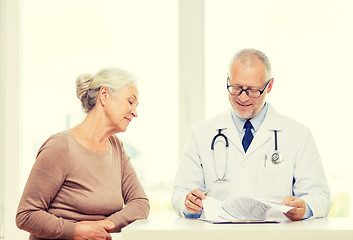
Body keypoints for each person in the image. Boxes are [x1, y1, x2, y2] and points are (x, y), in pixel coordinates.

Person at [172, 48, 331, 221]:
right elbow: (181, 193)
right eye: (236, 88)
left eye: (253, 90)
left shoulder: (298, 135)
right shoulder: (200, 134)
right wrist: (188, 204)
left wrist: (306, 208)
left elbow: (319, 196)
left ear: (269, 86)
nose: (243, 98)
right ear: (227, 80)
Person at [16, 68, 150, 239]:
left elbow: (140, 204)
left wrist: (105, 225)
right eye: (130, 102)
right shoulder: (60, 147)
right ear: (104, 95)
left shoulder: (117, 148)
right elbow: (26, 215)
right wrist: (76, 231)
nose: (135, 113)